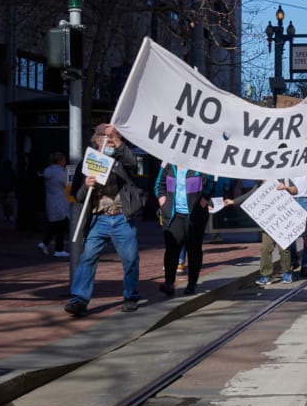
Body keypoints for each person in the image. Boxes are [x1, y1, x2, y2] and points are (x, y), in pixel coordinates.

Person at [65, 125, 144, 317]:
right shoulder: (87, 163)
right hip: (99, 218)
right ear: (96, 140)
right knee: (88, 258)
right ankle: (79, 300)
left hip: (121, 216)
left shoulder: (120, 159)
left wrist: (117, 139)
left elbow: (133, 162)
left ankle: (130, 296)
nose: (108, 143)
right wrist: (85, 185)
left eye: (111, 139)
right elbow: (78, 195)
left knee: (130, 258)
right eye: (105, 139)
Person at [155, 163, 218, 296]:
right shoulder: (168, 165)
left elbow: (212, 183)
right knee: (172, 249)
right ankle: (169, 283)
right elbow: (159, 185)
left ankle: (192, 283)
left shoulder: (199, 165)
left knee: (194, 249)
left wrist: (204, 200)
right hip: (173, 215)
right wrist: (163, 201)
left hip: (195, 215)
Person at [255, 179, 299, 286]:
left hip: (282, 219)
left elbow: (295, 190)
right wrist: (233, 201)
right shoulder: (260, 182)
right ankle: (265, 275)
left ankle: (286, 272)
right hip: (267, 221)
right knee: (266, 248)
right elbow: (250, 196)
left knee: (284, 249)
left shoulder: (284, 178)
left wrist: (286, 188)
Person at [39, 152, 70, 257]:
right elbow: (67, 183)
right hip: (60, 201)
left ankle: (44, 243)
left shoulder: (48, 171)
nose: (65, 162)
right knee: (60, 225)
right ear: (60, 161)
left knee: (55, 225)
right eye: (64, 160)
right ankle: (58, 249)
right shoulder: (59, 172)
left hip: (52, 201)